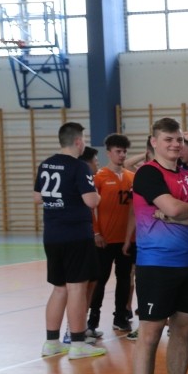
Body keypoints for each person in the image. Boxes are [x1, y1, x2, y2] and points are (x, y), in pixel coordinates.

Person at [131, 118, 188, 374]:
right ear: (154, 142)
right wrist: (186, 210)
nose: (175, 144)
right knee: (150, 333)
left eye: (178, 139)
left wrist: (177, 214)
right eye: (168, 139)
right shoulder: (147, 173)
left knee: (183, 329)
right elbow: (175, 207)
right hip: (156, 265)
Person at [36, 122, 105, 360]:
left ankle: (51, 343)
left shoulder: (46, 164)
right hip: (75, 235)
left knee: (59, 288)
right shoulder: (79, 166)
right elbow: (91, 201)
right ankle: (77, 343)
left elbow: (37, 197)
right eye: (83, 139)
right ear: (78, 141)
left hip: (52, 234)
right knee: (77, 288)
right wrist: (97, 195)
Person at [88, 134, 135, 336]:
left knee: (124, 280)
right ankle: (93, 320)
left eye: (124, 151)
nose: (122, 155)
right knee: (99, 280)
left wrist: (130, 238)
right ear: (108, 153)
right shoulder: (99, 177)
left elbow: (134, 209)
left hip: (127, 240)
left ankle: (120, 317)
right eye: (118, 151)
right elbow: (90, 208)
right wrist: (96, 232)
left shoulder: (131, 177)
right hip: (105, 240)